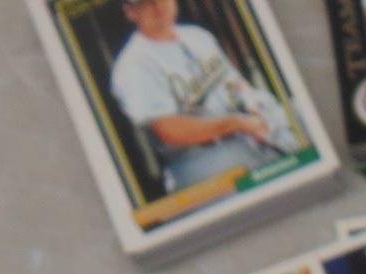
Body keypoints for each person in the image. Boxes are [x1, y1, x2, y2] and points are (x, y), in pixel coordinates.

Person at [110, 0, 301, 193]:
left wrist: (253, 105)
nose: (158, 6)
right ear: (130, 11)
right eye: (146, 2)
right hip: (203, 162)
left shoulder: (198, 36)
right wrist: (236, 123)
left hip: (250, 138)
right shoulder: (133, 65)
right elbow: (169, 131)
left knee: (300, 115)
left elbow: (235, 84)